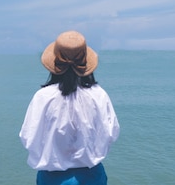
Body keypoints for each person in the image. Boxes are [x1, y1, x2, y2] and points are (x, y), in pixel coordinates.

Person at [19, 30, 120, 185]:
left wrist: (56, 152)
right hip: (91, 176)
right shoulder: (99, 95)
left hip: (52, 178)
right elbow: (111, 133)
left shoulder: (43, 96)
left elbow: (28, 138)